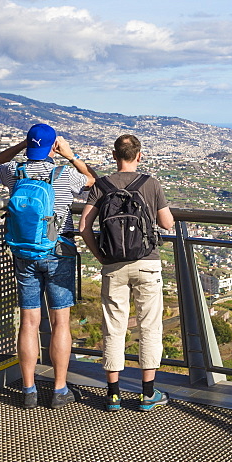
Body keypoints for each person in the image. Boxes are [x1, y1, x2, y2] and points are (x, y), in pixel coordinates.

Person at [0, 123, 97, 409]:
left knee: (29, 321)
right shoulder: (64, 174)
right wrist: (70, 155)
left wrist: (21, 147)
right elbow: (93, 181)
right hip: (59, 251)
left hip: (25, 253)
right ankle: (60, 389)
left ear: (29, 145)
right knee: (60, 321)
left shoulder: (16, 173)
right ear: (53, 147)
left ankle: (28, 389)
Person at [79, 134, 174, 412]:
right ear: (139, 155)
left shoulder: (102, 185)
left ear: (114, 155)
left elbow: (85, 225)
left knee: (113, 326)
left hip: (113, 265)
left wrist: (101, 257)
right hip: (147, 262)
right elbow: (167, 223)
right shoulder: (151, 183)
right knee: (149, 326)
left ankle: (113, 395)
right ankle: (147, 393)